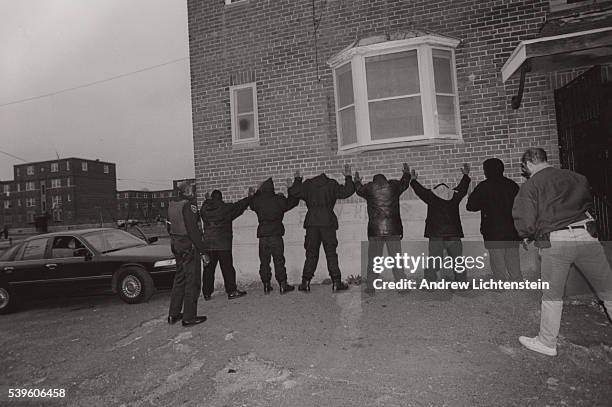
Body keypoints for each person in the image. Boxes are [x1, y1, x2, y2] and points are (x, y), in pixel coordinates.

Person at [513, 147, 612, 356]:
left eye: (525, 168)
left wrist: (526, 234)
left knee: (552, 294)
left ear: (529, 164)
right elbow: (588, 202)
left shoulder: (531, 185)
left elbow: (526, 221)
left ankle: (547, 343)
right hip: (587, 235)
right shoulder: (577, 177)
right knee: (607, 289)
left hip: (557, 240)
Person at [289, 165, 355, 292]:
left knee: (311, 253)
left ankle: (306, 282)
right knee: (331, 253)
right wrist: (348, 177)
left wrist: (297, 180)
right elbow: (347, 191)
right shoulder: (331, 184)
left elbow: (294, 192)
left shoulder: (308, 185)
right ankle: (336, 282)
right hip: (327, 222)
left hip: (312, 223)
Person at [354, 164, 411, 295]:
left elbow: (358, 190)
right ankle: (402, 287)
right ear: (385, 179)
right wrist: (406, 173)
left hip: (375, 230)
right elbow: (404, 184)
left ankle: (370, 287)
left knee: (374, 259)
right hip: (393, 230)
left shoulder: (369, 188)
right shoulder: (394, 187)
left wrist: (357, 180)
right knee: (397, 260)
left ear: (374, 181)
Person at [410, 164, 471, 284]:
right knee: (458, 261)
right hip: (453, 234)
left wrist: (413, 181)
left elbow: (419, 190)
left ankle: (429, 283)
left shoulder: (430, 196)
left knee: (433, 260)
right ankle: (462, 283)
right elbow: (463, 188)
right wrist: (466, 175)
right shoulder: (455, 195)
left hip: (436, 235)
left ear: (435, 189)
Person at [467, 158, 522, 282]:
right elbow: (521, 207)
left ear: (487, 171)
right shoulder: (512, 185)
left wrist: (478, 200)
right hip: (512, 230)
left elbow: (470, 206)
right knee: (513, 258)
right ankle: (517, 282)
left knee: (497, 260)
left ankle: (500, 283)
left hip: (492, 231)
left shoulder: (484, 186)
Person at [166, 181, 208, 327]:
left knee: (179, 279)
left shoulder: (171, 205)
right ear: (188, 191)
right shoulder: (189, 206)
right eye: (192, 190)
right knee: (193, 281)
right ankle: (189, 317)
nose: (194, 192)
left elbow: (168, 227)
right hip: (189, 246)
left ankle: (173, 314)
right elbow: (193, 230)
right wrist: (203, 251)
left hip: (177, 245)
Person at [200, 188, 253, 300]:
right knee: (227, 269)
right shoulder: (225, 208)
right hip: (223, 244)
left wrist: (206, 200)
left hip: (208, 244)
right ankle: (231, 291)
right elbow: (239, 206)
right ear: (221, 198)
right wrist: (249, 197)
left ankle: (206, 293)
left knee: (208, 270)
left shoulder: (204, 210)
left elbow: (203, 207)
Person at [249, 177, 299, 294]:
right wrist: (290, 188)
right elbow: (293, 202)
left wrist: (256, 192)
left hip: (263, 235)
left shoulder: (258, 201)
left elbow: (251, 203)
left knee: (264, 261)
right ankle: (282, 284)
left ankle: (266, 285)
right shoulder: (278, 200)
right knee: (279, 260)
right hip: (276, 234)